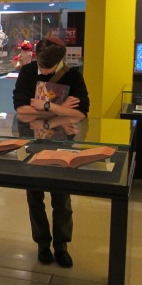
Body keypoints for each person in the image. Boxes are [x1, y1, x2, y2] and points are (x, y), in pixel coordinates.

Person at [12, 37, 90, 268]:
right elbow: (22, 111)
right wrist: (61, 111)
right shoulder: (27, 72)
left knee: (62, 199)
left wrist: (45, 106)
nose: (44, 71)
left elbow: (81, 113)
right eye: (41, 67)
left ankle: (62, 245)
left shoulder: (73, 76)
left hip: (62, 144)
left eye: (49, 68)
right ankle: (42, 244)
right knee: (34, 197)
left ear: (60, 61)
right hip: (31, 143)